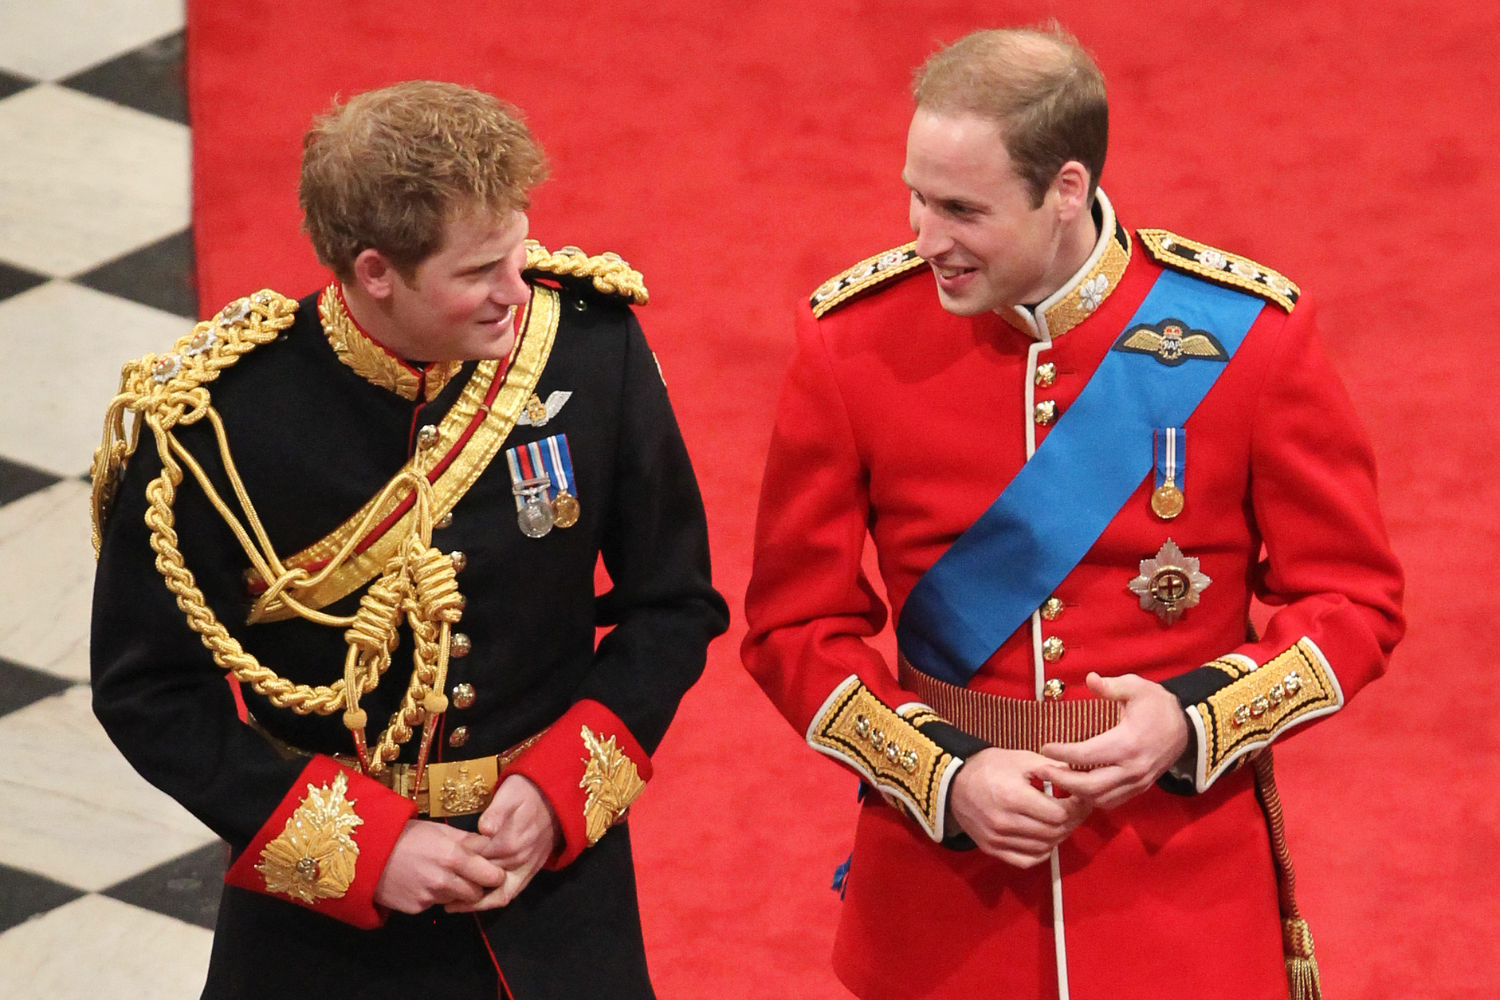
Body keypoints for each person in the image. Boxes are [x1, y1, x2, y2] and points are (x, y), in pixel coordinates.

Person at [742, 26, 1402, 1000]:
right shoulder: (851, 345)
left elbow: (1355, 603)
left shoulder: (1250, 341)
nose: (925, 239)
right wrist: (945, 776)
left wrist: (1191, 720)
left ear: (1065, 189)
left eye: (962, 208)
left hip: (1180, 893)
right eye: (916, 195)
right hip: (943, 898)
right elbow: (793, 627)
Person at [90, 80, 728, 999]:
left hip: (556, 907)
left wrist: (560, 795)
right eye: (478, 273)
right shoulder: (214, 425)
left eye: (515, 252)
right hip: (320, 937)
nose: (518, 293)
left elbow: (673, 602)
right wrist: (366, 851)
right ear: (375, 269)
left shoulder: (590, 351)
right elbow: (148, 690)